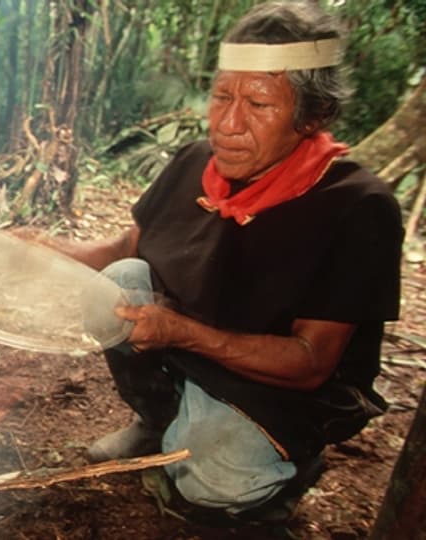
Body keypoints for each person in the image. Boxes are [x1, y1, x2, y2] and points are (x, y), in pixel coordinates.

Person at [45, 0, 403, 522]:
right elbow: (127, 250)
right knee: (118, 283)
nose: (228, 124)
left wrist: (180, 333)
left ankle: (287, 464)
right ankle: (158, 419)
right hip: (191, 345)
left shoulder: (358, 206)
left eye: (259, 105)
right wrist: (49, 251)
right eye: (221, 97)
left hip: (281, 390)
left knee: (209, 486)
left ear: (313, 115)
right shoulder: (196, 161)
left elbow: (310, 363)